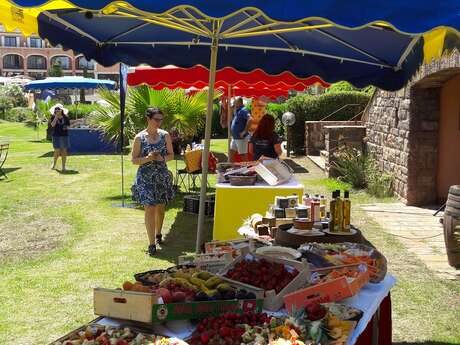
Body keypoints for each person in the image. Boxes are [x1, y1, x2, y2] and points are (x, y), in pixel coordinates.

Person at [131, 107, 175, 256]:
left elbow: (171, 155)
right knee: (149, 208)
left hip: (161, 176)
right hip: (145, 178)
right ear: (148, 119)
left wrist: (162, 158)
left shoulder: (165, 136)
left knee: (160, 209)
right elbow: (134, 160)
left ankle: (158, 233)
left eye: (161, 120)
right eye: (156, 119)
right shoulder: (139, 138)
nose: (159, 122)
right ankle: (151, 244)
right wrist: (148, 158)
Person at [49, 103, 71, 171]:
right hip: (56, 136)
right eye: (56, 109)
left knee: (64, 151)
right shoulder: (53, 117)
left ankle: (63, 167)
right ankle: (54, 164)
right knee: (57, 151)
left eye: (58, 109)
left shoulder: (66, 117)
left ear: (62, 110)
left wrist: (65, 127)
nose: (57, 110)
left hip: (64, 136)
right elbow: (52, 125)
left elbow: (68, 125)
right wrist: (56, 117)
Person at [230, 97, 251, 162]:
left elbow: (250, 119)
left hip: (241, 137)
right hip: (235, 137)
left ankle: (248, 170)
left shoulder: (243, 110)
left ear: (239, 102)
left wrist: (244, 131)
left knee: (243, 155)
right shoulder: (237, 110)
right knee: (231, 152)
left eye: (235, 102)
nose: (233, 104)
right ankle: (232, 168)